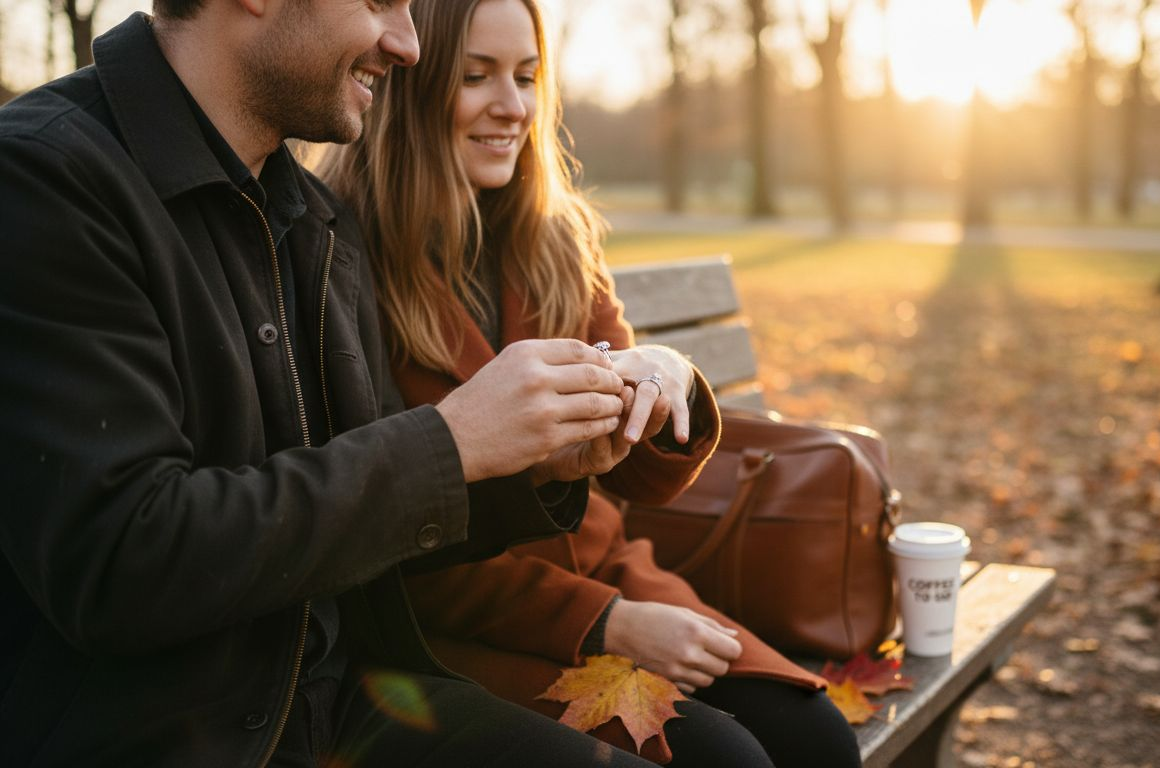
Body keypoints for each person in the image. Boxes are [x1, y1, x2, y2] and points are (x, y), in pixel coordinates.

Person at [0, 1, 670, 766]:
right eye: (380, 1)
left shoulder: (315, 218)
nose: (408, 44)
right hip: (169, 738)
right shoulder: (47, 178)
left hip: (339, 703)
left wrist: (530, 464)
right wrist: (451, 442)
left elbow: (371, 513)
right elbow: (120, 564)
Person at [319, 0, 863, 765]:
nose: (512, 106)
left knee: (817, 737)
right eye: (476, 76)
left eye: (526, 77)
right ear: (409, 82)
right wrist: (604, 622)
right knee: (727, 759)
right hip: (469, 625)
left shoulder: (555, 238)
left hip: (615, 575)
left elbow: (639, 475)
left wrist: (669, 378)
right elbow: (386, 547)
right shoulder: (343, 261)